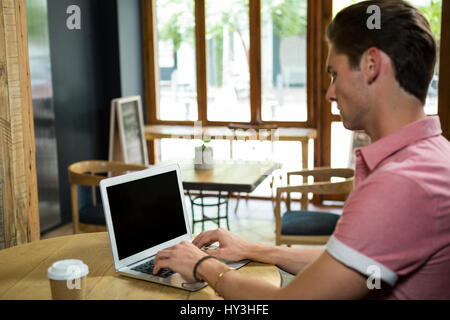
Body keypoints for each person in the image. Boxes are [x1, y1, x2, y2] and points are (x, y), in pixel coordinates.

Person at [154, 0, 450, 299]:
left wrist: (203, 265)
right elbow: (343, 262)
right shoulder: (431, 157)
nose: (330, 93)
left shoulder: (400, 183)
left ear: (372, 66)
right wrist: (254, 248)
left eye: (334, 74)